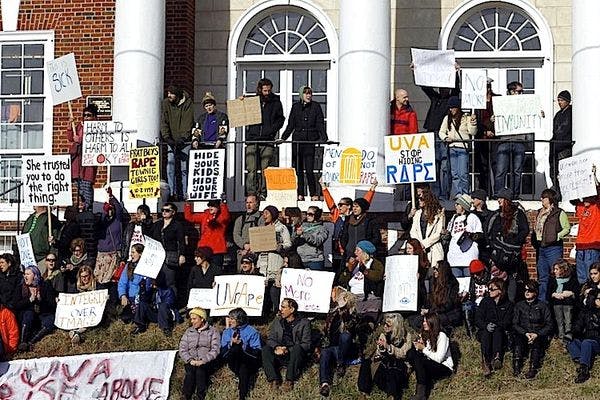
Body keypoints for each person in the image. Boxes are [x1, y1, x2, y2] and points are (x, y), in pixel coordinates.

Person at [321, 177, 377, 274]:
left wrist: (372, 188)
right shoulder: (337, 215)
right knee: (342, 274)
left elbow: (365, 202)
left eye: (341, 204)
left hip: (359, 253)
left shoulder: (363, 219)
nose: (339, 207)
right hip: (342, 252)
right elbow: (330, 203)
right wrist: (323, 187)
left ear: (348, 206)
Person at [280, 85, 326, 200]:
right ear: (301, 95)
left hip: (310, 140)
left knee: (310, 169)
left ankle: (313, 193)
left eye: (310, 93)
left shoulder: (316, 106)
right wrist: (283, 138)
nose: (308, 96)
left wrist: (324, 137)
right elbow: (291, 124)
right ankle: (300, 193)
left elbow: (320, 123)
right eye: (306, 93)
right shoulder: (296, 107)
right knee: (298, 169)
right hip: (298, 141)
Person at [244, 78, 285, 199]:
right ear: (260, 90)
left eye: (269, 90)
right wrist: (241, 101)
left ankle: (263, 192)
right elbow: (241, 113)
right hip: (252, 139)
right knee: (251, 168)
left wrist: (271, 130)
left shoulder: (276, 102)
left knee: (265, 169)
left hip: (267, 140)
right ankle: (251, 193)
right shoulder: (253, 101)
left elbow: (280, 119)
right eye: (265, 90)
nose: (267, 93)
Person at [486, 188, 529, 302]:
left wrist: (514, 242)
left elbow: (524, 230)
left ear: (507, 200)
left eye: (501, 198)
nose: (498, 200)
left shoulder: (518, 213)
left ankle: (510, 303)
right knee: (497, 279)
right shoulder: (496, 214)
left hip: (512, 254)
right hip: (498, 254)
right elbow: (491, 232)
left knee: (512, 279)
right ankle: (498, 302)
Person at [358, 312, 412, 400]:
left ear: (395, 326)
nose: (385, 326)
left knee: (392, 370)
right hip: (383, 366)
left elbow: (403, 353)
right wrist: (381, 348)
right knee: (366, 362)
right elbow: (379, 353)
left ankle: (392, 396)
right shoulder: (384, 335)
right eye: (385, 323)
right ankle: (363, 392)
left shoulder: (406, 337)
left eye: (388, 324)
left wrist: (389, 347)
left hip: (397, 368)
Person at [262, 298, 311, 392]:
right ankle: (273, 379)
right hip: (279, 352)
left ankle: (289, 380)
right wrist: (276, 347)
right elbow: (271, 339)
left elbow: (306, 344)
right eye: (281, 307)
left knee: (297, 348)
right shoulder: (278, 321)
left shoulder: (304, 323)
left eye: (284, 307)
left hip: (294, 355)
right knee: (265, 349)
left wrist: (287, 349)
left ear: (292, 309)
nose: (281, 310)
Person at [318, 287, 358, 397]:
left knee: (345, 335)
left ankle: (341, 364)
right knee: (325, 352)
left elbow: (350, 327)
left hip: (345, 350)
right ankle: (324, 383)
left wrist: (344, 309)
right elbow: (326, 330)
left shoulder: (352, 314)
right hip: (332, 346)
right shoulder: (333, 312)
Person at [532, 188, 571, 301]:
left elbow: (566, 228)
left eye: (544, 198)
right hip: (541, 247)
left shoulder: (559, 212)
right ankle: (543, 302)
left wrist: (556, 236)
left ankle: (556, 300)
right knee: (542, 276)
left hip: (553, 248)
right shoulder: (539, 212)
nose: (541, 200)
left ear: (550, 199)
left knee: (557, 274)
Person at [407, 313, 454, 400]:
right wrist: (418, 346)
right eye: (423, 321)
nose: (423, 323)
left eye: (426, 321)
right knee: (412, 353)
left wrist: (424, 349)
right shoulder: (426, 334)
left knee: (421, 360)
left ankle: (421, 394)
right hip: (430, 364)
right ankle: (422, 388)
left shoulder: (442, 336)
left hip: (444, 367)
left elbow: (439, 359)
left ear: (432, 322)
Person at [438, 96, 478, 197]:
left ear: (458, 107)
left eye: (453, 107)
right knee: (454, 173)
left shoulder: (466, 118)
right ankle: (458, 193)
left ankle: (465, 193)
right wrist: (445, 138)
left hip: (462, 147)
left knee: (463, 173)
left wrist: (473, 124)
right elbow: (441, 132)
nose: (451, 110)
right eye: (450, 108)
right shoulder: (447, 118)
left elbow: (473, 132)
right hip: (452, 148)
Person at [512, 280, 552, 379]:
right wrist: (525, 333)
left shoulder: (543, 306)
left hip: (537, 333)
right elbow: (515, 323)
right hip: (523, 333)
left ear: (535, 292)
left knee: (536, 345)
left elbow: (549, 324)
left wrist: (537, 334)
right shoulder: (519, 305)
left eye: (529, 290)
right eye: (525, 290)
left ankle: (533, 369)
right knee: (517, 343)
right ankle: (516, 369)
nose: (527, 292)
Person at [161, 85, 195, 201]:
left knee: (184, 168)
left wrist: (183, 138)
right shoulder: (166, 103)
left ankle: (185, 193)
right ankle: (171, 192)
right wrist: (167, 138)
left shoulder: (187, 103)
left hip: (184, 141)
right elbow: (164, 121)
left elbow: (188, 121)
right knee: (170, 165)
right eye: (168, 93)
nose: (169, 95)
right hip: (171, 140)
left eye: (172, 93)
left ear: (178, 95)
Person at [494, 81, 528, 197]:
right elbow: (495, 117)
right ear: (511, 91)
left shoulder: (524, 104)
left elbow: (531, 114)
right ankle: (499, 193)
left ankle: (514, 194)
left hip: (519, 140)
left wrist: (537, 113)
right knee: (501, 170)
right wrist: (494, 119)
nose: (520, 94)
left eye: (521, 92)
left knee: (517, 171)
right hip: (504, 139)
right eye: (519, 91)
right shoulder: (502, 103)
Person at [256, 206, 291, 314]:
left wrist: (279, 246)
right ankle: (264, 312)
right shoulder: (262, 229)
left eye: (267, 213)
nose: (264, 216)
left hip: (275, 260)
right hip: (263, 261)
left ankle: (277, 311)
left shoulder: (281, 228)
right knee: (263, 289)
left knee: (275, 288)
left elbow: (288, 243)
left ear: (273, 214)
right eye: (263, 213)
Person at [475, 277, 514, 377]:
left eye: (492, 289)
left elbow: (507, 321)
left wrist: (497, 325)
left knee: (497, 330)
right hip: (485, 330)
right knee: (486, 332)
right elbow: (478, 319)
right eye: (489, 289)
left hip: (500, 331)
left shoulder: (508, 304)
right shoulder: (485, 302)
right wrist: (486, 325)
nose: (490, 291)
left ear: (500, 290)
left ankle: (497, 357)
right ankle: (486, 361)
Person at [220, 308, 262, 400]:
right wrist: (231, 344)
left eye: (232, 319)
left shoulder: (252, 332)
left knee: (243, 368)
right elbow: (223, 352)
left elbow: (256, 352)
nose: (229, 321)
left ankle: (242, 396)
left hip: (247, 361)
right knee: (234, 349)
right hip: (233, 361)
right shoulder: (227, 332)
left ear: (239, 320)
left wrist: (243, 345)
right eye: (229, 318)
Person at [179, 308, 220, 400]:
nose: (192, 321)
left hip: (206, 361)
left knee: (200, 372)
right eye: (191, 319)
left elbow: (215, 349)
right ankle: (186, 396)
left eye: (194, 319)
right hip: (191, 361)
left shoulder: (213, 331)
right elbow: (182, 349)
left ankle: (200, 396)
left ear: (202, 319)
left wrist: (204, 360)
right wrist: (190, 360)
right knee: (190, 373)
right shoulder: (188, 332)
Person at [14, 265, 57, 351]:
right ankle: (23, 342)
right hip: (28, 315)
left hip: (43, 313)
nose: (25, 276)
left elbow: (52, 305)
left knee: (50, 321)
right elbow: (16, 305)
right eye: (24, 274)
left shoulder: (45, 285)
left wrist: (41, 300)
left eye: (28, 274)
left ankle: (31, 342)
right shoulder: (21, 287)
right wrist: (29, 300)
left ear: (35, 275)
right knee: (28, 315)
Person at [411, 260, 461, 332]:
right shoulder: (433, 281)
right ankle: (430, 331)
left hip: (449, 314)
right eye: (434, 268)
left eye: (436, 269)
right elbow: (426, 299)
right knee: (414, 320)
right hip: (435, 312)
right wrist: (419, 282)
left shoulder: (452, 284)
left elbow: (448, 305)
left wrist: (430, 311)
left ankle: (439, 331)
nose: (434, 271)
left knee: (435, 320)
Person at [184, 199, 231, 271]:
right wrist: (187, 204)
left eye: (213, 206)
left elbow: (226, 216)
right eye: (209, 206)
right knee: (202, 270)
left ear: (218, 207)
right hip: (204, 249)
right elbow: (189, 217)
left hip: (217, 250)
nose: (210, 207)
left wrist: (223, 204)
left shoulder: (221, 217)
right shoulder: (204, 215)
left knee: (216, 271)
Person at [67, 103, 98, 207]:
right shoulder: (80, 126)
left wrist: (80, 140)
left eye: (89, 115)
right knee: (80, 189)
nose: (86, 117)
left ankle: (88, 208)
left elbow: (93, 141)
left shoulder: (97, 127)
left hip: (88, 164)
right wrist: (70, 126)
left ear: (94, 116)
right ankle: (83, 207)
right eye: (84, 115)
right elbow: (71, 138)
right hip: (78, 162)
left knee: (87, 187)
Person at [572, 168, 600, 284]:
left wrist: (593, 177)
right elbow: (571, 196)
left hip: (592, 245)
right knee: (581, 277)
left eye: (588, 196)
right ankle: (583, 298)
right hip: (580, 245)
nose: (585, 199)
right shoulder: (581, 207)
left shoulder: (596, 207)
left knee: (591, 275)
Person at [151, 202, 186, 295]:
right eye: (163, 210)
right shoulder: (157, 224)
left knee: (170, 280)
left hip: (170, 255)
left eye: (167, 210)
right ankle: (159, 303)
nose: (164, 212)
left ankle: (171, 303)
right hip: (158, 255)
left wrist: (182, 255)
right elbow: (149, 235)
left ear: (173, 212)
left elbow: (181, 241)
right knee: (157, 280)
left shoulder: (177, 225)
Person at [444, 194, 483, 277]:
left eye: (458, 204)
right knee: (457, 284)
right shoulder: (454, 217)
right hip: (454, 257)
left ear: (463, 206)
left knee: (468, 283)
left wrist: (469, 235)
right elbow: (449, 233)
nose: (455, 206)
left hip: (468, 257)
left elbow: (479, 235)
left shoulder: (472, 217)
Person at [568, 288, 600, 384]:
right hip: (587, 338)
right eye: (598, 299)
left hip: (597, 341)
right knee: (571, 342)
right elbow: (578, 325)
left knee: (587, 343)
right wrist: (572, 332)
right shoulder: (586, 312)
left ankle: (584, 371)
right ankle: (581, 361)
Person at [94, 190, 124, 286]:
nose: (110, 211)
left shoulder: (117, 220)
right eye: (108, 210)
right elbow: (98, 222)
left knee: (112, 279)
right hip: (102, 255)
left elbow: (119, 209)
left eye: (111, 209)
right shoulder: (102, 222)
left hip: (113, 254)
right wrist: (104, 212)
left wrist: (111, 197)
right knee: (99, 279)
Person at [410, 190, 446, 269]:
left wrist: (424, 244)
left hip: (434, 249)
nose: (419, 200)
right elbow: (413, 231)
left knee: (434, 273)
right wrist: (419, 244)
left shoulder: (439, 214)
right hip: (419, 250)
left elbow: (438, 233)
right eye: (418, 198)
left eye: (421, 199)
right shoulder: (417, 213)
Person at [548, 260, 579, 343]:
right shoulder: (552, 280)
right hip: (557, 304)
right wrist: (554, 294)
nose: (554, 271)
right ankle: (561, 338)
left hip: (568, 304)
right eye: (554, 269)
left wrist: (570, 293)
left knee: (568, 321)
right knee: (559, 321)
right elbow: (548, 294)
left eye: (557, 269)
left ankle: (568, 337)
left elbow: (576, 293)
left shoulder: (572, 280)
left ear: (563, 269)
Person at [22, 206, 60, 274]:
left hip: (42, 258)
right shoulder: (31, 218)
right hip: (27, 257)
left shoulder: (50, 219)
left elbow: (55, 239)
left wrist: (51, 257)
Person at [67, 265, 98, 345]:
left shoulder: (97, 286)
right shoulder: (76, 288)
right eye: (82, 276)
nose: (84, 278)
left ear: (90, 275)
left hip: (91, 313)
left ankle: (76, 333)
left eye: (86, 276)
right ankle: (76, 333)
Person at [233, 194, 264, 272]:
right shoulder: (240, 219)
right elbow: (236, 235)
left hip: (255, 252)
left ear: (257, 204)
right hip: (242, 252)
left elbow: (262, 235)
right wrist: (244, 245)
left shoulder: (261, 218)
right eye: (247, 203)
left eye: (251, 202)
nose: (248, 205)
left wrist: (252, 246)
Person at [117, 244, 145, 323]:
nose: (131, 255)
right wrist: (123, 295)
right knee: (125, 318)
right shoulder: (128, 266)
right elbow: (122, 283)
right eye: (131, 252)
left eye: (133, 252)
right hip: (131, 297)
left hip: (142, 297)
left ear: (140, 254)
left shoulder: (146, 267)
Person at [550, 90, 572, 181]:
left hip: (565, 147)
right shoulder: (558, 114)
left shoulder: (572, 113)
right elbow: (555, 131)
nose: (559, 102)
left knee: (564, 173)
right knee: (554, 173)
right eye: (558, 100)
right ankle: (557, 193)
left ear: (568, 101)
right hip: (556, 147)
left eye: (562, 100)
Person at [406, 238, 430, 310]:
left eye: (410, 248)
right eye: (407, 248)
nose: (407, 251)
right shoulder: (403, 260)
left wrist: (420, 275)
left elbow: (424, 276)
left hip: (418, 292)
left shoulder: (422, 262)